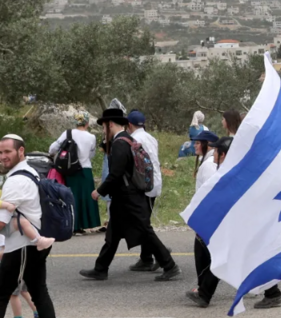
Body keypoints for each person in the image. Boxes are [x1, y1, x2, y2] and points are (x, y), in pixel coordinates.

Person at [80, 108, 181, 283]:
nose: (103, 130)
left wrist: (99, 191)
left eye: (104, 126)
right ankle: (100, 269)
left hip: (129, 198)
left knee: (145, 232)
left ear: (110, 124)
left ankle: (170, 265)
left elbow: (116, 174)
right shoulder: (127, 140)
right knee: (112, 234)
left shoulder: (120, 143)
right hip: (126, 197)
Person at [0, 134, 61, 318]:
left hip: (21, 247)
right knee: (39, 291)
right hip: (32, 243)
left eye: (8, 152)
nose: (3, 157)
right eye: (1, 152)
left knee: (2, 293)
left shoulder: (15, 181)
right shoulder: (30, 171)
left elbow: (2, 223)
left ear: (21, 151)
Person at [47, 111, 101, 234]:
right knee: (86, 196)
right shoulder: (91, 137)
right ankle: (86, 223)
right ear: (87, 123)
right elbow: (91, 154)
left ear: (75, 122)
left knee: (72, 196)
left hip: (70, 169)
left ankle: (73, 224)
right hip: (85, 169)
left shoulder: (68, 133)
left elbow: (52, 148)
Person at [185, 131, 221, 308]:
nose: (195, 145)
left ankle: (204, 292)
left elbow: (208, 193)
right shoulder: (209, 162)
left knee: (207, 255)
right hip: (208, 215)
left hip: (208, 216)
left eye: (199, 143)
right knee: (207, 254)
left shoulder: (208, 165)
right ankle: (203, 290)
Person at [128, 110, 166, 273]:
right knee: (144, 222)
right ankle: (146, 258)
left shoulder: (134, 139)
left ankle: (161, 254)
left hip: (143, 184)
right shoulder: (151, 138)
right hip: (155, 182)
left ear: (129, 124)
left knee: (142, 224)